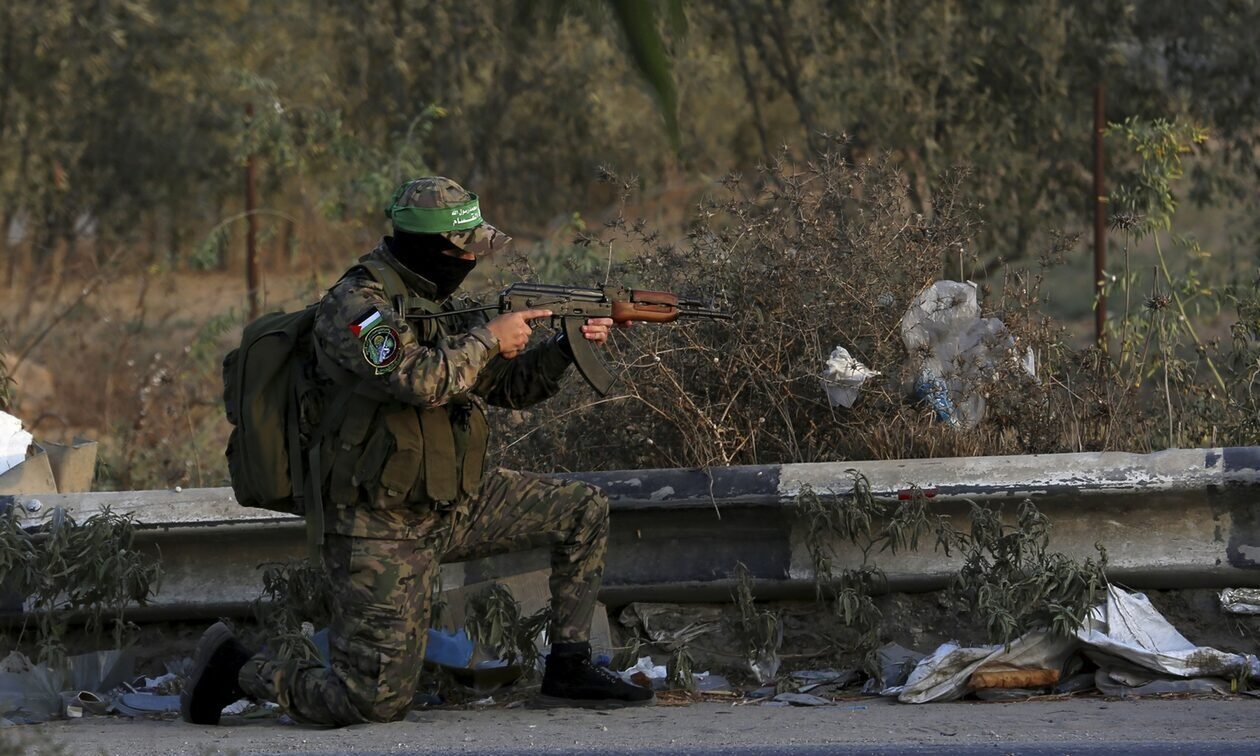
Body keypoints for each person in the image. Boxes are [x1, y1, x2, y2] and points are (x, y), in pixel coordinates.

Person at [182, 177, 653, 727]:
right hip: (378, 525)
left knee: (583, 509)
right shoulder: (356, 307)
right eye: (464, 248)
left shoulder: (436, 302)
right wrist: (487, 339)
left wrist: (565, 348)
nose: (473, 260)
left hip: (453, 502)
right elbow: (419, 379)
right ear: (430, 246)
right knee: (370, 703)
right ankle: (234, 667)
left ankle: (568, 667)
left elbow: (510, 387)